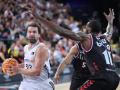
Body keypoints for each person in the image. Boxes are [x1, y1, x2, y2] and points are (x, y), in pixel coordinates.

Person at [37, 9, 119, 90]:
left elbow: (62, 32)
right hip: (114, 78)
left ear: (89, 29)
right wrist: (110, 22)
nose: (84, 28)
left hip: (100, 78)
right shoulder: (104, 38)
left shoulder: (87, 39)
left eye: (86, 26)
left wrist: (40, 19)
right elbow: (109, 31)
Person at [7, 23, 54, 90]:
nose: (31, 34)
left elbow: (37, 72)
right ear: (27, 34)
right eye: (29, 32)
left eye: (34, 32)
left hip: (41, 84)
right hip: (26, 83)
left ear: (39, 35)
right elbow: (28, 64)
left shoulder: (41, 48)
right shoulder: (26, 47)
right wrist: (15, 67)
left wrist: (18, 70)